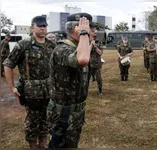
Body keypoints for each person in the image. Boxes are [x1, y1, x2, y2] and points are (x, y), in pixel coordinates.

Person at [3, 16, 56, 148]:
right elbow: (8, 64)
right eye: (39, 25)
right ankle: (32, 144)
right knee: (32, 119)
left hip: (48, 89)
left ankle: (43, 143)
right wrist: (12, 87)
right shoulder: (24, 45)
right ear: (32, 28)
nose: (43, 27)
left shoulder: (51, 45)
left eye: (44, 25)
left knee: (46, 117)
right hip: (31, 91)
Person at [47, 13, 95, 148]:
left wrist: (87, 39)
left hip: (74, 112)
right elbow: (83, 60)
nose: (93, 30)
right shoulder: (62, 49)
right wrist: (84, 33)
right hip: (63, 114)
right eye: (90, 27)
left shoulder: (75, 48)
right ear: (76, 28)